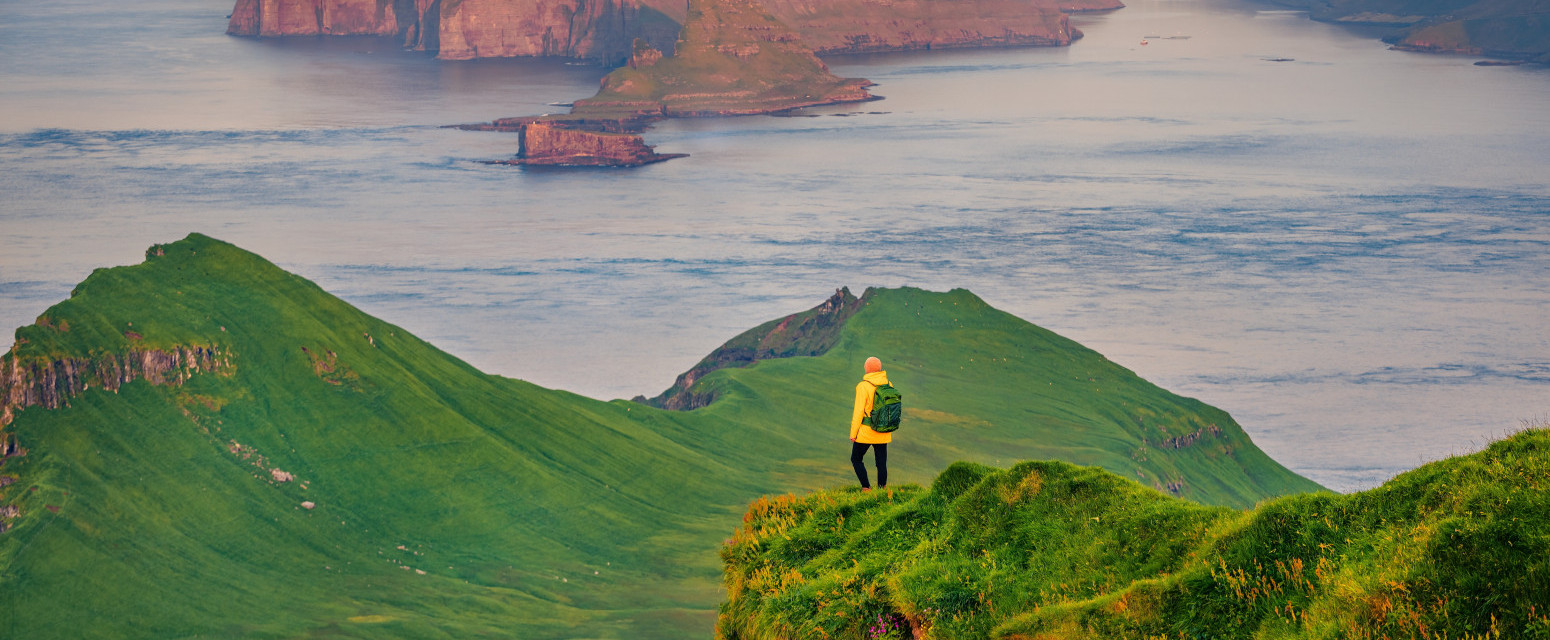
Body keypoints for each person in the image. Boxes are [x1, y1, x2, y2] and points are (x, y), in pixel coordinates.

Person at [849, 356, 891, 491]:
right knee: (881, 463)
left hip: (866, 431)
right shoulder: (888, 384)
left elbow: (858, 412)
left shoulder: (863, 386)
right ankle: (882, 488)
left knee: (856, 459)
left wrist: (853, 433)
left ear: (866, 369)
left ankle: (866, 487)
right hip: (883, 429)